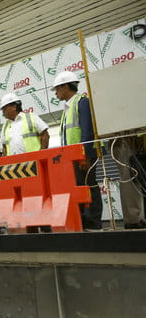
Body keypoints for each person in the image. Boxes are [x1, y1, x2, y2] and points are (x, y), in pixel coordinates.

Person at [52, 71, 103, 231]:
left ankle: (94, 223)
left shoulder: (82, 102)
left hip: (83, 155)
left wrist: (85, 156)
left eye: (57, 89)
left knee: (90, 187)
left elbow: (87, 131)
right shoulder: (67, 108)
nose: (56, 93)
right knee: (79, 188)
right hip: (72, 157)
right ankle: (83, 222)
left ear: (65, 86)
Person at [111, 136, 146, 229]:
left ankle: (136, 217)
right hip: (125, 140)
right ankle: (133, 219)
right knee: (130, 181)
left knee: (135, 181)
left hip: (132, 141)